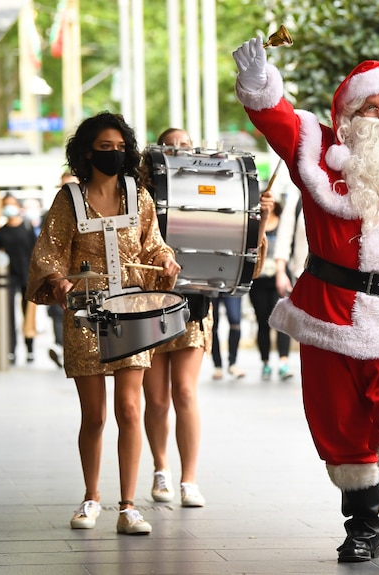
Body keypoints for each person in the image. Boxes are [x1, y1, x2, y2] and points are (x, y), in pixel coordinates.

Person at [234, 41, 379, 569]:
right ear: (350, 117)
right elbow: (280, 122)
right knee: (341, 427)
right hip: (330, 317)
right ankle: (363, 527)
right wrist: (259, 81)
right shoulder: (320, 158)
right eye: (372, 106)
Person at [26, 111, 181, 535]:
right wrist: (57, 280)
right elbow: (49, 254)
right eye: (104, 148)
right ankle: (91, 497)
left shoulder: (141, 197)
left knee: (130, 409)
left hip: (133, 313)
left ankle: (128, 506)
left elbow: (153, 247)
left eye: (120, 147)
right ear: (86, 153)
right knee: (94, 416)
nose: (114, 154)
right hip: (85, 317)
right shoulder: (68, 200)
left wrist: (166, 261)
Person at [143, 127, 275, 508]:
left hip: (194, 304)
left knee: (184, 392)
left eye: (185, 144)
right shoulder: (143, 198)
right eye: (172, 145)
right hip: (149, 305)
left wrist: (259, 218)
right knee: (155, 400)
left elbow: (247, 257)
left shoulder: (215, 193)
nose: (181, 150)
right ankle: (160, 469)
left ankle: (189, 478)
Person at [249, 198, 293, 381]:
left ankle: (283, 363)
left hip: (279, 278)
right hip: (259, 279)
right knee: (263, 322)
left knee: (283, 322)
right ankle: (265, 363)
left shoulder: (284, 223)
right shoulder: (255, 224)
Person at [0, 193, 37, 364]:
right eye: (5, 204)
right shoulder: (1, 231)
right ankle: (10, 349)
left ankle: (30, 348)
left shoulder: (26, 228)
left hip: (27, 275)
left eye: (11, 204)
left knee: (28, 313)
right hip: (8, 277)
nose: (9, 207)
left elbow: (36, 251)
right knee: (7, 314)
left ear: (18, 207)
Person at [44, 175, 74, 369]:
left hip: (83, 278)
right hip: (60, 276)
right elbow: (45, 249)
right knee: (57, 311)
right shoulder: (51, 214)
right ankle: (60, 346)